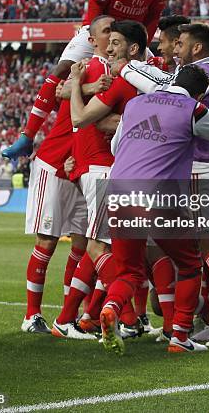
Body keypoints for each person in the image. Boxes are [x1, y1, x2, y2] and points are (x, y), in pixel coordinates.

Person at [114, 23, 209, 346]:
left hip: (204, 165)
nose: (173, 51)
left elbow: (163, 86)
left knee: (208, 245)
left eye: (178, 44)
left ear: (196, 48)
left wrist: (128, 66)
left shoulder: (198, 76)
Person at [1, 0, 178, 161]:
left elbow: (154, 13)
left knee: (157, 79)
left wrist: (140, 45)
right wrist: (100, 38)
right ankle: (27, 137)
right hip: (101, 28)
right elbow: (95, 5)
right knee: (62, 68)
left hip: (132, 38)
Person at [99, 64, 209, 355]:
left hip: (118, 193)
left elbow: (116, 149)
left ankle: (111, 308)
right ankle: (180, 336)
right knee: (190, 264)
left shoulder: (134, 103)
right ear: (199, 94)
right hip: (159, 197)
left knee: (129, 272)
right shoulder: (195, 109)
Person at [51, 20, 148, 338]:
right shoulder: (138, 78)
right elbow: (61, 92)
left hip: (107, 170)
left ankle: (98, 316)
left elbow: (74, 108)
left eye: (116, 39)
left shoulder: (120, 77)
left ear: (132, 48)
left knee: (97, 247)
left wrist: (78, 84)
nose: (110, 45)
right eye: (108, 37)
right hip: (107, 170)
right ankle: (107, 316)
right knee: (99, 246)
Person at [21, 16, 113, 337]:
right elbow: (59, 88)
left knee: (81, 245)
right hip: (55, 163)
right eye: (106, 31)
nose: (111, 35)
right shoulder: (86, 66)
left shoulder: (113, 71)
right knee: (47, 241)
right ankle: (32, 315)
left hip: (82, 168)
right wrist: (84, 85)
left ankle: (68, 318)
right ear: (92, 37)